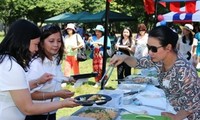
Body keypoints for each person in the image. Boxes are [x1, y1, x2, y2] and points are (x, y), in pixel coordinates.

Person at [110, 26, 199, 120]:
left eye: (154, 48)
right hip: (172, 107)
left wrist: (176, 117)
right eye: (148, 47)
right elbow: (138, 63)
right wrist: (124, 57)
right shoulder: (159, 58)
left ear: (168, 47)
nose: (150, 52)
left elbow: (193, 103)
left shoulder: (185, 72)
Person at [0, 19, 79, 120]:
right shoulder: (11, 66)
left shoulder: (6, 61)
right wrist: (62, 103)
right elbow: (28, 108)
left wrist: (37, 82)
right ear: (23, 41)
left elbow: (16, 89)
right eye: (36, 44)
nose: (37, 49)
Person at [25, 25, 75, 120]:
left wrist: (67, 79)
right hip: (36, 115)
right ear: (42, 43)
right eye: (51, 41)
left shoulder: (55, 59)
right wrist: (57, 94)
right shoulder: (36, 64)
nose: (56, 45)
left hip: (51, 113)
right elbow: (30, 94)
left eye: (59, 41)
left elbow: (54, 78)